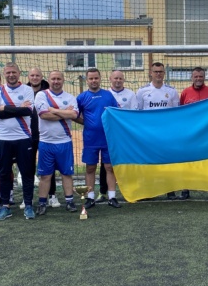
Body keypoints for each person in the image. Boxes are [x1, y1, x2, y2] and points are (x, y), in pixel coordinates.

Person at [0, 62, 36, 220]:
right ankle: (5, 206)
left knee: (27, 173)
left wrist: (5, 108)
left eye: (14, 72)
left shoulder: (27, 90)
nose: (11, 75)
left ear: (19, 73)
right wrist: (18, 108)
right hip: (3, 139)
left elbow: (28, 111)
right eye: (8, 72)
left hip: (23, 138)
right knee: (3, 173)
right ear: (4, 74)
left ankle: (28, 205)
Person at [34, 70, 79, 215]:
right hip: (46, 142)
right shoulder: (41, 95)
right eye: (53, 79)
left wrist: (54, 110)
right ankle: (42, 203)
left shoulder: (70, 97)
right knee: (45, 176)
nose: (56, 81)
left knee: (66, 174)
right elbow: (44, 115)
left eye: (59, 79)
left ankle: (69, 201)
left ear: (63, 80)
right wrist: (65, 112)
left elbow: (74, 114)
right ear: (49, 80)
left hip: (64, 142)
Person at [76, 68, 121, 209]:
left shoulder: (108, 95)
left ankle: (112, 197)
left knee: (109, 167)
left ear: (100, 79)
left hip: (108, 138)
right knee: (90, 168)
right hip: (90, 139)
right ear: (87, 80)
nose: (94, 81)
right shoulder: (81, 97)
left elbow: (117, 112)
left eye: (96, 78)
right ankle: (90, 198)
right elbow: (74, 115)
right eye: (91, 78)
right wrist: (87, 123)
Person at [136, 62, 181, 200]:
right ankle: (148, 191)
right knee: (148, 161)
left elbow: (176, 114)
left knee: (168, 160)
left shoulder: (172, 91)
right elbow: (138, 113)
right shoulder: (142, 91)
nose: (158, 74)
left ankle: (170, 190)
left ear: (164, 73)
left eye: (160, 71)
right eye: (155, 71)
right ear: (151, 73)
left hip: (167, 134)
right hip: (148, 134)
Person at [96, 69, 138, 203]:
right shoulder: (104, 95)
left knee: (128, 162)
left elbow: (133, 115)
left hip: (125, 134)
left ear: (123, 79)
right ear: (110, 79)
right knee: (106, 163)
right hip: (108, 134)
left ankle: (131, 190)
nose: (118, 81)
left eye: (120, 78)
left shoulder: (131, 95)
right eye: (115, 78)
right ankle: (103, 192)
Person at [179, 66, 208, 200]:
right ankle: (185, 189)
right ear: (192, 78)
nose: (198, 79)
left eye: (201, 76)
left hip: (207, 133)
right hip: (190, 133)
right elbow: (181, 112)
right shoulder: (185, 92)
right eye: (196, 76)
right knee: (187, 161)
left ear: (204, 77)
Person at [27, 67, 58, 208]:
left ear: (41, 77)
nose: (35, 78)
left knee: (49, 167)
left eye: (37, 75)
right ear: (28, 77)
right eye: (32, 75)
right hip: (28, 136)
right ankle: (27, 198)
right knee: (28, 168)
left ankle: (52, 195)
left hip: (46, 135)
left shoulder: (49, 91)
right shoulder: (24, 91)